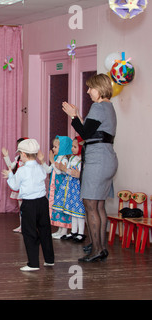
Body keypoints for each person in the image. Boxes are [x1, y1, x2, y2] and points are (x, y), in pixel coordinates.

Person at [62, 73, 117, 262]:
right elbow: (94, 130)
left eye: (90, 88)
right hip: (107, 158)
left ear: (99, 89)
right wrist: (77, 115)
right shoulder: (108, 107)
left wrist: (73, 116)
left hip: (97, 160)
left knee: (90, 205)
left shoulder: (98, 106)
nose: (88, 91)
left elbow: (85, 133)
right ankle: (100, 247)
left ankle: (96, 250)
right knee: (99, 205)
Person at [3, 139, 54, 271]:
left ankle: (33, 263)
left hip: (29, 204)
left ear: (23, 155)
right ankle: (49, 260)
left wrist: (9, 175)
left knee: (29, 232)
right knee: (45, 231)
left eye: (20, 153)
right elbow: (46, 173)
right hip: (42, 202)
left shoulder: (22, 170)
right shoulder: (40, 167)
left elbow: (14, 185)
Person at [52, 136, 86, 242]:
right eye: (72, 146)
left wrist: (64, 169)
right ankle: (73, 232)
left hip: (77, 188)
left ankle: (81, 233)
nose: (72, 148)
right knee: (72, 211)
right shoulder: (72, 158)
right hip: (70, 187)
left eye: (75, 147)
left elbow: (78, 174)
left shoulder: (81, 161)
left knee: (79, 212)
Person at [39, 136, 72, 239]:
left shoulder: (65, 160)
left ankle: (64, 231)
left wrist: (52, 161)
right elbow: (49, 170)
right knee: (56, 208)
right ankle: (60, 230)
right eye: (53, 147)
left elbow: (60, 172)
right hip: (55, 189)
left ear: (62, 147)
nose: (53, 149)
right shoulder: (57, 159)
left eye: (55, 147)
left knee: (62, 209)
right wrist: (43, 161)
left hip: (62, 190)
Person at [2, 137, 28, 233]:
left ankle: (27, 226)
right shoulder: (17, 159)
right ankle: (22, 225)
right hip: (19, 187)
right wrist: (6, 156)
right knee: (21, 208)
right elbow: (10, 166)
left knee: (27, 208)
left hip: (26, 187)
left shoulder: (28, 161)